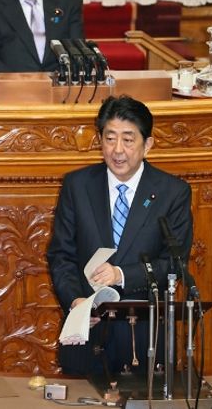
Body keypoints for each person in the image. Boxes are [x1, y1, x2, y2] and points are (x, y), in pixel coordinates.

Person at [47, 95, 193, 377]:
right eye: (110, 138)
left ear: (147, 144)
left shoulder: (172, 193)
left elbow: (174, 264)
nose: (117, 150)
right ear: (99, 138)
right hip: (86, 333)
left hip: (143, 339)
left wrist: (121, 275)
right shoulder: (77, 185)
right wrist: (75, 300)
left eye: (128, 139)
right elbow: (60, 254)